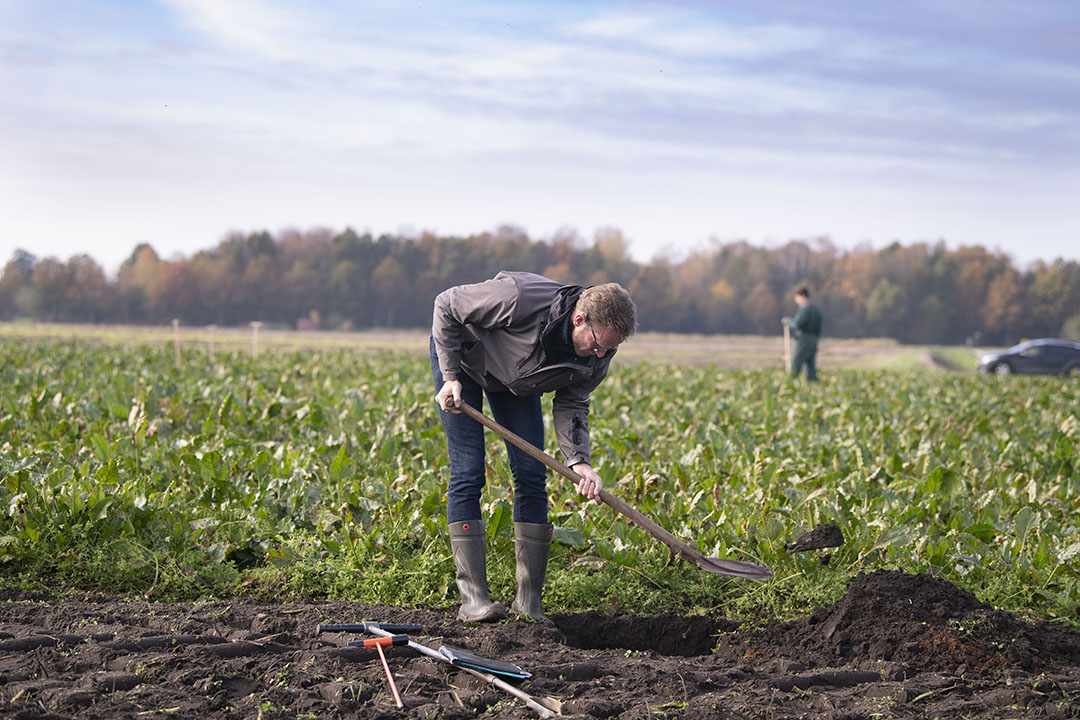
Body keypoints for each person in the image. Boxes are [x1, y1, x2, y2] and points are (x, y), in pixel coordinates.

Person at [431, 271, 637, 622]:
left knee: (530, 474)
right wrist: (450, 376)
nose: (601, 354)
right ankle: (473, 600)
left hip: (515, 383)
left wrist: (579, 461)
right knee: (469, 471)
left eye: (610, 348)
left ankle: (528, 604)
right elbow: (446, 305)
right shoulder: (518, 297)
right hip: (465, 362)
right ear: (579, 319)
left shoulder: (600, 352)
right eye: (598, 344)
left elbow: (573, 402)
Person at [783, 286, 823, 381]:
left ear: (803, 296)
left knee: (795, 364)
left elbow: (797, 323)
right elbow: (818, 328)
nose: (796, 300)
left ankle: (790, 385)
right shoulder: (816, 310)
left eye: (796, 297)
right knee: (811, 367)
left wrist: (787, 321)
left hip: (803, 340)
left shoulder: (804, 309)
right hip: (814, 340)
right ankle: (814, 386)